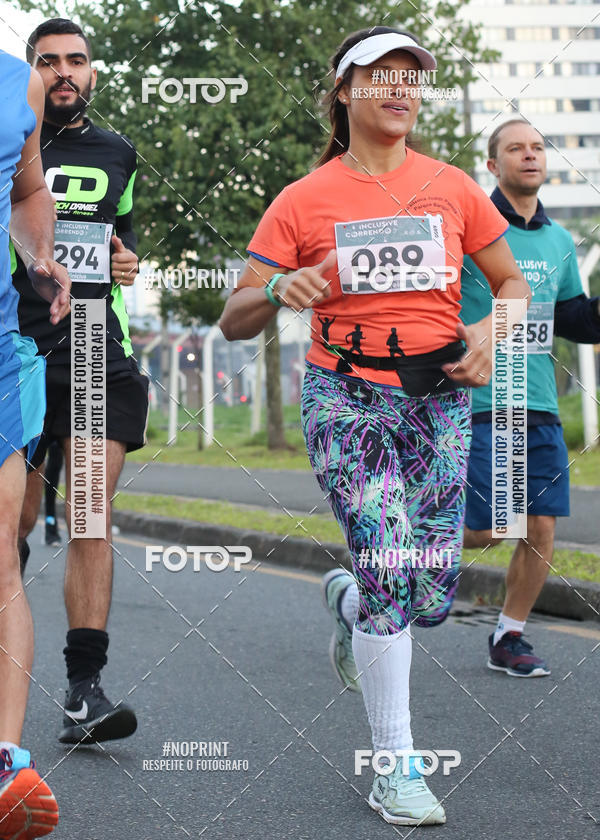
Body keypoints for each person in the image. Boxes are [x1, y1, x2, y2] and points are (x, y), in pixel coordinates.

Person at [219, 27, 530, 826]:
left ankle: (351, 602)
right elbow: (233, 316)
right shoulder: (304, 198)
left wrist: (490, 334)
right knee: (392, 563)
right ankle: (396, 767)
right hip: (345, 397)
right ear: (343, 91)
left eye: (410, 77)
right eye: (380, 75)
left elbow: (512, 284)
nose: (400, 89)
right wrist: (280, 287)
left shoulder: (452, 187)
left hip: (439, 402)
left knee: (428, 597)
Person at [13, 18, 148, 745]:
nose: (63, 72)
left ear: (93, 72)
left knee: (91, 512)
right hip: (16, 347)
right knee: (14, 524)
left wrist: (127, 263)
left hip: (95, 345)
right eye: (48, 61)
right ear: (30, 73)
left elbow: (125, 241)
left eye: (76, 60)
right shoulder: (9, 139)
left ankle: (83, 693)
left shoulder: (118, 151)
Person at [460, 119, 600, 677]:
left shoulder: (560, 240)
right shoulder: (471, 227)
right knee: (486, 528)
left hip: (537, 401)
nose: (530, 155)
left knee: (540, 525)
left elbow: (573, 319)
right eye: (515, 148)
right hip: (478, 399)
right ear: (493, 166)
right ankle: (384, 574)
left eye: (538, 147)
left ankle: (508, 635)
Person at [0, 47, 70, 839]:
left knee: (1, 561)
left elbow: (26, 190)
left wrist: (39, 256)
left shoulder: (15, 79)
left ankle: (6, 763)